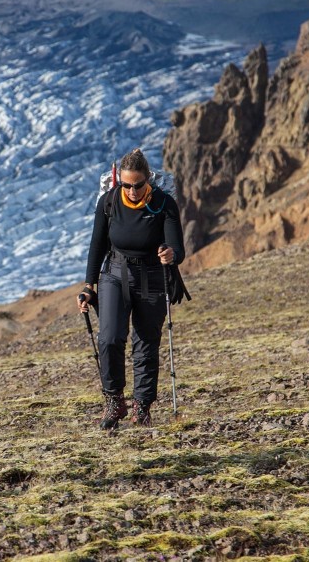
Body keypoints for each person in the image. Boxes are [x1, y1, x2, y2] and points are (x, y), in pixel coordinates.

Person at [78, 148, 184, 429]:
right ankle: (114, 401)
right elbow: (97, 245)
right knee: (110, 338)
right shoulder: (108, 202)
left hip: (151, 274)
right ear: (120, 182)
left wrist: (170, 255)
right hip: (114, 273)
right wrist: (89, 285)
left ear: (148, 179)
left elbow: (178, 248)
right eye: (127, 184)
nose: (133, 190)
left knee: (146, 343)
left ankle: (142, 406)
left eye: (138, 184)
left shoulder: (164, 204)